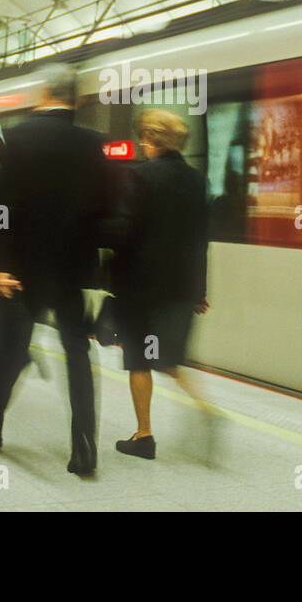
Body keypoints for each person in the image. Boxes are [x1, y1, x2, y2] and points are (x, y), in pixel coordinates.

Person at [0, 64, 110, 477]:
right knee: (77, 356)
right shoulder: (92, 146)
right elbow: (105, 211)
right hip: (71, 273)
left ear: (45, 93)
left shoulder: (17, 138)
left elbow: (2, 207)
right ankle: (84, 449)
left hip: (22, 271)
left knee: (7, 348)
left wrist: (3, 264)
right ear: (76, 98)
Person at [105, 110, 210, 460]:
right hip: (179, 287)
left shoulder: (139, 175)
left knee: (139, 359)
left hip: (140, 286)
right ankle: (204, 408)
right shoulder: (196, 180)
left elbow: (125, 231)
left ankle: (144, 435)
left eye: (144, 139)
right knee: (167, 359)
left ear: (151, 139)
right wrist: (199, 290)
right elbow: (200, 239)